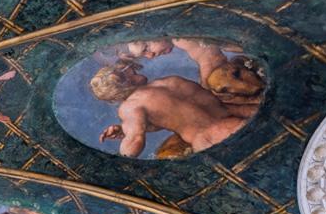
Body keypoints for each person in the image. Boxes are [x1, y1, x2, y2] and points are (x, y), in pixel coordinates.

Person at [90, 58, 251, 158]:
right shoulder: (169, 81)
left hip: (211, 139)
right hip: (239, 121)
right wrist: (125, 129)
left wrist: (119, 161)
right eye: (125, 70)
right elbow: (177, 115)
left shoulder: (130, 107)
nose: (129, 68)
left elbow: (135, 141)